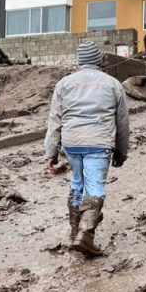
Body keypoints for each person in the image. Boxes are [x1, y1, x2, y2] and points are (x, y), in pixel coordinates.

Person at [44, 41, 129, 257]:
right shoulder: (112, 84)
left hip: (72, 143)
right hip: (99, 143)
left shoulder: (64, 84)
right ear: (99, 60)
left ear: (79, 61)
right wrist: (121, 151)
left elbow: (55, 119)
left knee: (77, 183)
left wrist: (51, 152)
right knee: (95, 187)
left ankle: (75, 234)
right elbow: (122, 122)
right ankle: (85, 234)